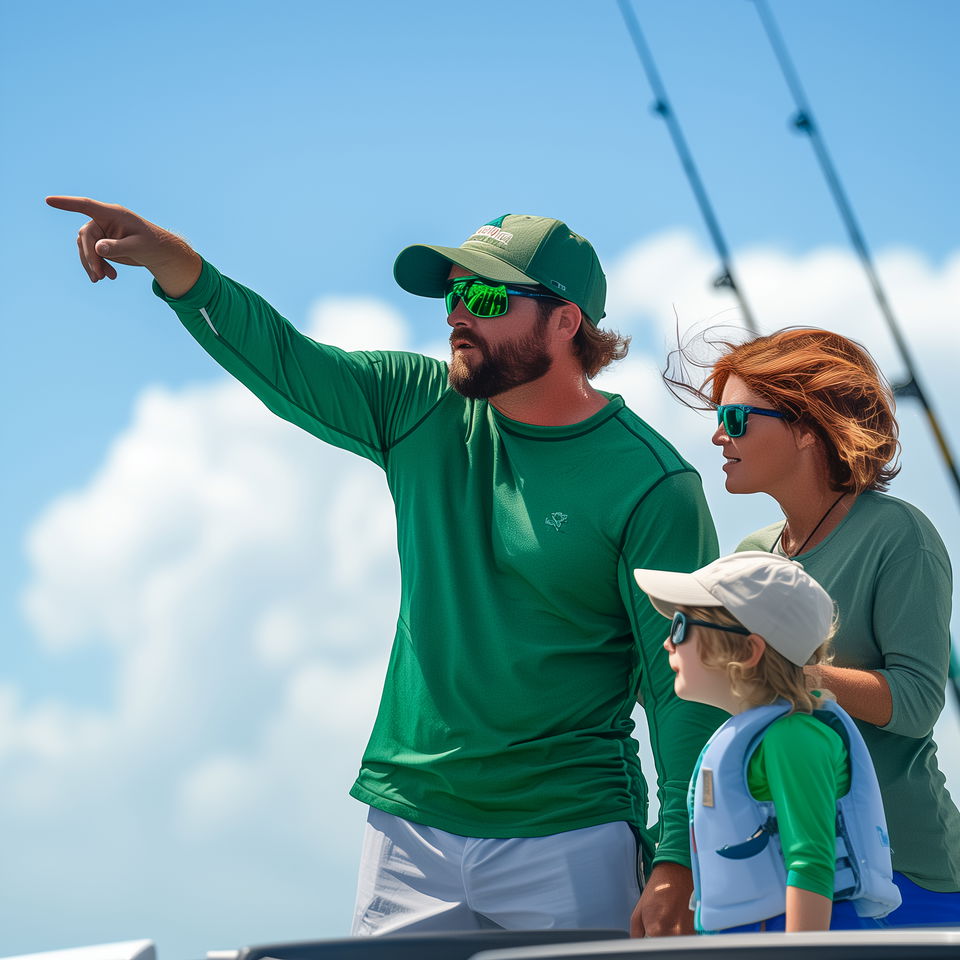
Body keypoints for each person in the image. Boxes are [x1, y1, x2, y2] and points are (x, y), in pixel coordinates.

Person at [47, 198, 722, 936]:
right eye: (453, 293)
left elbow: (682, 691)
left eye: (487, 295)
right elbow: (286, 361)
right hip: (407, 829)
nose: (458, 313)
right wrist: (180, 265)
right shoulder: (416, 403)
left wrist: (677, 859)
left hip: (571, 832)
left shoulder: (653, 484)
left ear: (566, 323)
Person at [667, 327, 960, 926]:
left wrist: (787, 674)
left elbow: (918, 701)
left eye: (736, 417)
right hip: (780, 873)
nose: (718, 434)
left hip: (906, 876)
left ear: (807, 428)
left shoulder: (900, 536)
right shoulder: (751, 552)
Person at [633, 551, 901, 932]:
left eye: (681, 626)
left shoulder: (795, 737)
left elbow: (811, 863)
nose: (667, 644)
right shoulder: (753, 736)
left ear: (747, 651)